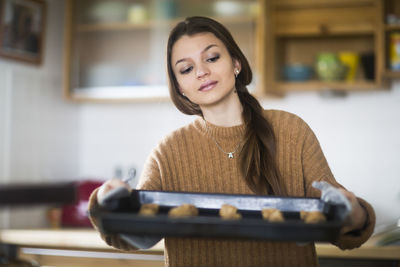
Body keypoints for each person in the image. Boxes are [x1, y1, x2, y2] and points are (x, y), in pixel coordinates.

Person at [88, 16, 375, 267]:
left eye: (212, 58)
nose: (201, 72)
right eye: (186, 69)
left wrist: (354, 213)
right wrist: (107, 204)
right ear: (180, 88)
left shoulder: (290, 130)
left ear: (235, 63)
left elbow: (342, 223)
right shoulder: (168, 151)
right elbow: (136, 236)